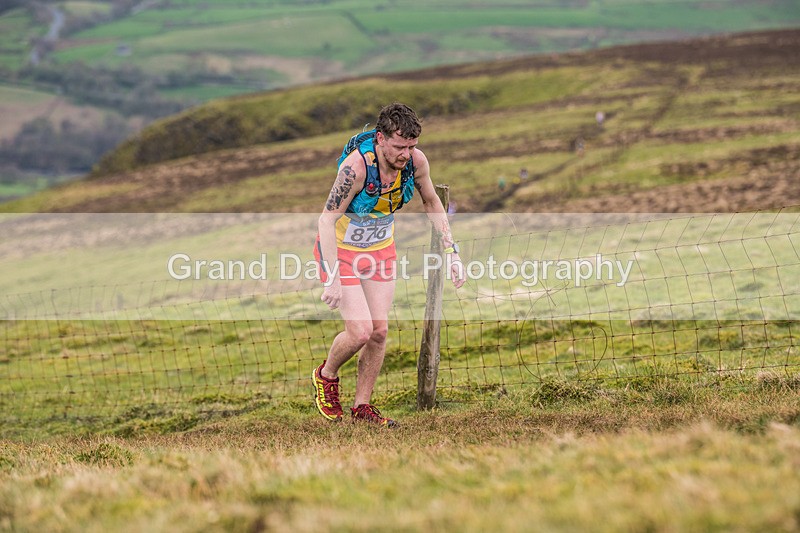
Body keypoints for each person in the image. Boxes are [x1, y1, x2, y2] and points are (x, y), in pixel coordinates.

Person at [312, 103, 465, 427]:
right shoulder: (356, 169)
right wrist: (333, 278)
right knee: (360, 332)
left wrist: (452, 251)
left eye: (411, 146)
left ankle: (362, 407)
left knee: (379, 332)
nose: (405, 154)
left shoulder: (416, 162)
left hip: (380, 252)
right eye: (399, 147)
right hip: (342, 253)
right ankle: (327, 376)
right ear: (380, 139)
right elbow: (326, 220)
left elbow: (431, 201)